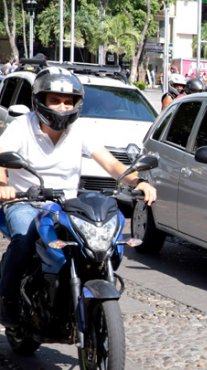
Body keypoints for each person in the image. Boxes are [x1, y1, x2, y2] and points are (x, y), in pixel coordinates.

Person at [0, 67, 157, 327]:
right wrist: (3, 184)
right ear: (39, 101)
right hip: (25, 201)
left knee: (100, 243)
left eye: (68, 101)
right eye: (55, 100)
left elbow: (110, 163)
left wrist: (138, 181)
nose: (62, 107)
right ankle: (7, 301)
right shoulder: (22, 126)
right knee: (24, 240)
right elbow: (1, 158)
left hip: (67, 205)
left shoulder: (79, 129)